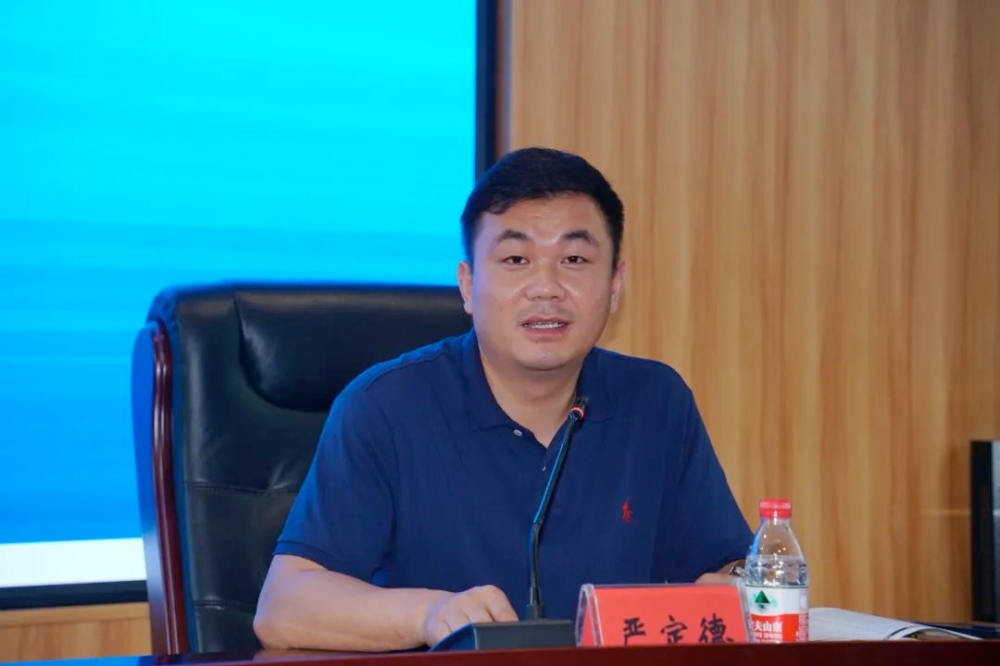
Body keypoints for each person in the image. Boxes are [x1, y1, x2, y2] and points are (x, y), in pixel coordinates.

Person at [252, 147, 752, 652]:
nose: (547, 288)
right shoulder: (384, 408)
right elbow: (284, 609)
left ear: (615, 285)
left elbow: (725, 566)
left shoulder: (655, 403)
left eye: (574, 260)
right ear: (468, 285)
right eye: (516, 260)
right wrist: (430, 615)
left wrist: (743, 585)